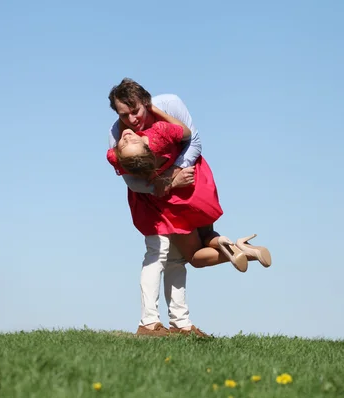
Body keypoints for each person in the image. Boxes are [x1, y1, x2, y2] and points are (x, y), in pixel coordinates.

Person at [107, 78, 271, 337]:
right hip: (157, 197)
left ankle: (171, 324)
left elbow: (193, 140)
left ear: (146, 102)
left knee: (174, 257)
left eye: (135, 110)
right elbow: (131, 180)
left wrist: (174, 174)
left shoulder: (169, 105)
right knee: (168, 255)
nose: (131, 120)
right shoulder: (119, 133)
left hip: (186, 187)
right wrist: (168, 183)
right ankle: (161, 323)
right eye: (123, 114)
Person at [107, 104, 270, 272]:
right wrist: (151, 109)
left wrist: (123, 123)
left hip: (173, 206)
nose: (127, 137)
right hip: (196, 191)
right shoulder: (160, 133)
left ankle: (243, 250)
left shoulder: (124, 158)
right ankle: (230, 244)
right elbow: (187, 134)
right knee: (206, 236)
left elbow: (117, 160)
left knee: (194, 257)